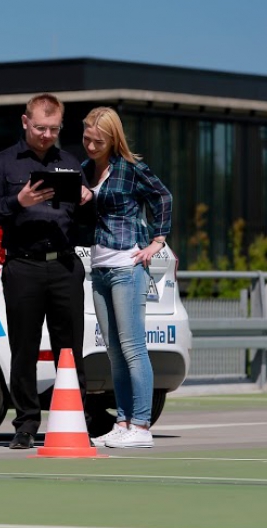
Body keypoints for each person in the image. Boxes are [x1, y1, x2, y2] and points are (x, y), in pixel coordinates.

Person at [0, 93, 94, 450]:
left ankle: (76, 420)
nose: (46, 135)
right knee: (23, 348)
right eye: (40, 128)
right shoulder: (2, 164)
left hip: (65, 265)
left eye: (53, 129)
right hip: (23, 265)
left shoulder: (69, 162)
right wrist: (18, 201)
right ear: (25, 122)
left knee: (69, 348)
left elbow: (87, 220)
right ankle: (25, 424)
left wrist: (87, 200)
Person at [80, 106, 172, 449]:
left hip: (127, 266)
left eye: (98, 141)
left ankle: (142, 426)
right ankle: (123, 422)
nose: (91, 146)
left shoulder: (131, 169)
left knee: (133, 348)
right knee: (114, 352)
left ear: (112, 139)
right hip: (99, 268)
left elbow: (163, 196)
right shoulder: (84, 170)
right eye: (87, 139)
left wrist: (157, 241)